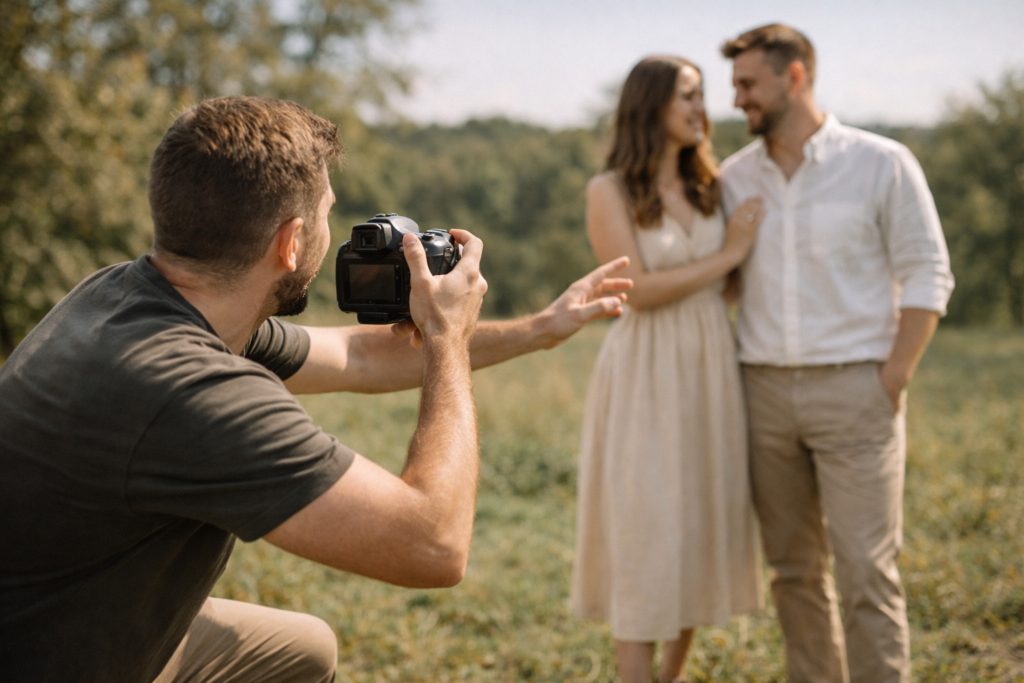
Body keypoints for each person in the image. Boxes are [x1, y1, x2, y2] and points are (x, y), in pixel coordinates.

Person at [0, 96, 633, 683]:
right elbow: (434, 545)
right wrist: (445, 340)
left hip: (61, 623)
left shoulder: (132, 296)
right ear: (292, 242)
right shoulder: (190, 391)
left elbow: (356, 356)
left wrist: (540, 329)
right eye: (327, 214)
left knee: (303, 650)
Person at [718, 24, 955, 683]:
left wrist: (895, 374)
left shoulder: (883, 163)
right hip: (762, 393)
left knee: (866, 570)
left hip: (857, 389)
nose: (737, 99)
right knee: (793, 571)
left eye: (748, 84)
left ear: (795, 77)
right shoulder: (734, 178)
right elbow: (723, 281)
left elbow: (928, 272)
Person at [569, 56, 765, 683]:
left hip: (711, 364)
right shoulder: (610, 190)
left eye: (701, 94)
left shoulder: (712, 184)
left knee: (697, 523)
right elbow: (639, 292)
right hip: (646, 368)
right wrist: (730, 253)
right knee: (647, 527)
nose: (700, 107)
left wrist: (734, 267)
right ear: (650, 104)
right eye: (688, 94)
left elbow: (730, 286)